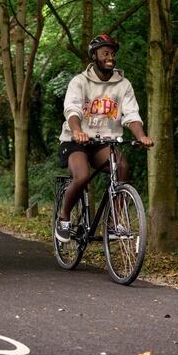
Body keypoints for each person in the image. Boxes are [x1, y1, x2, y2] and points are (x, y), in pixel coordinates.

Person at [55, 34, 153, 242]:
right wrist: (76, 131)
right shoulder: (79, 82)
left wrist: (141, 136)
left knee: (122, 167)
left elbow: (131, 114)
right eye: (105, 53)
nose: (110, 57)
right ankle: (63, 218)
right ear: (94, 56)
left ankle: (112, 223)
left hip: (104, 142)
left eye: (113, 53)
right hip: (76, 141)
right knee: (81, 176)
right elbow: (72, 109)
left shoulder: (123, 85)